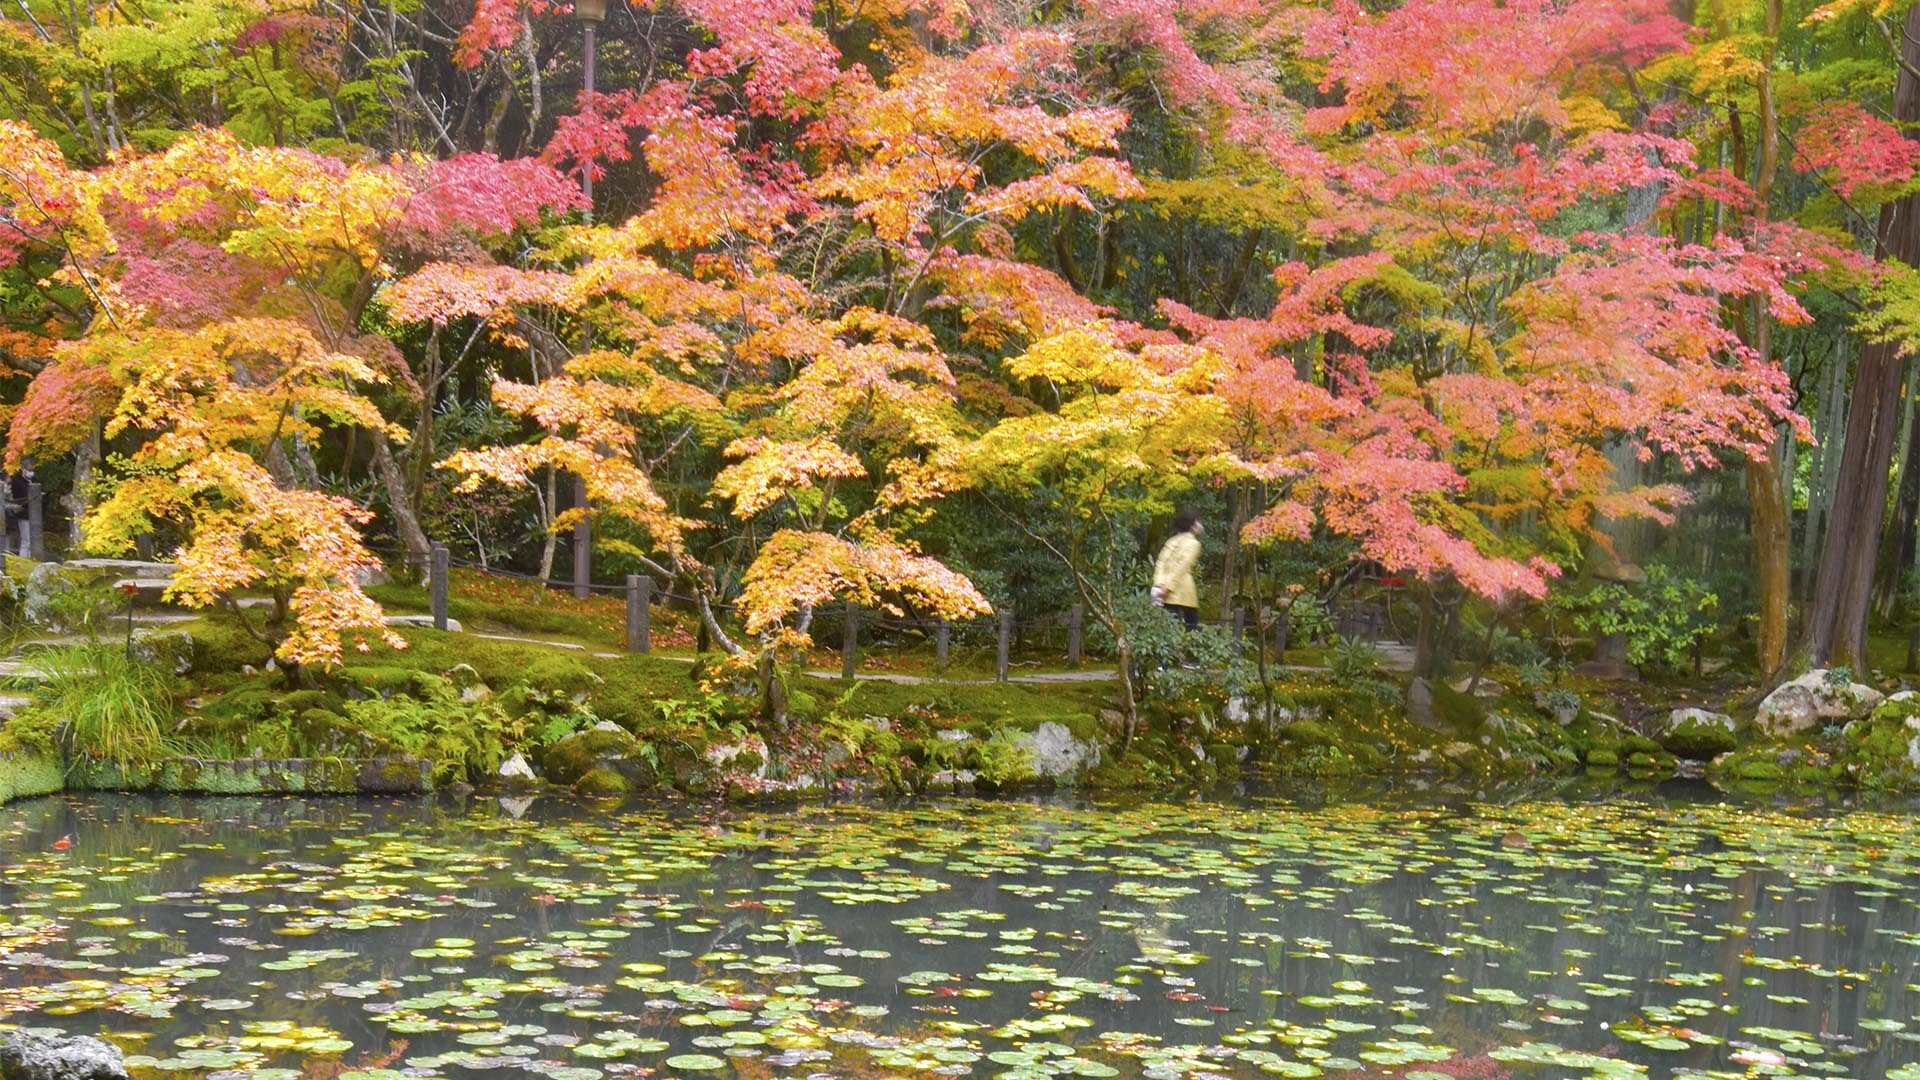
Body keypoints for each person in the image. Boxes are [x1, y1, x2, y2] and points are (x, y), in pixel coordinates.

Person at [1151, 508, 1203, 631]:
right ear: (1193, 525)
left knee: (1167, 628)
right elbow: (1182, 567)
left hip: (1164, 592)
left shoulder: (1171, 541)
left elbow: (1161, 563)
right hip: (1184, 591)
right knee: (1192, 626)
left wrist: (1159, 584)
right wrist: (1168, 587)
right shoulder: (1193, 544)